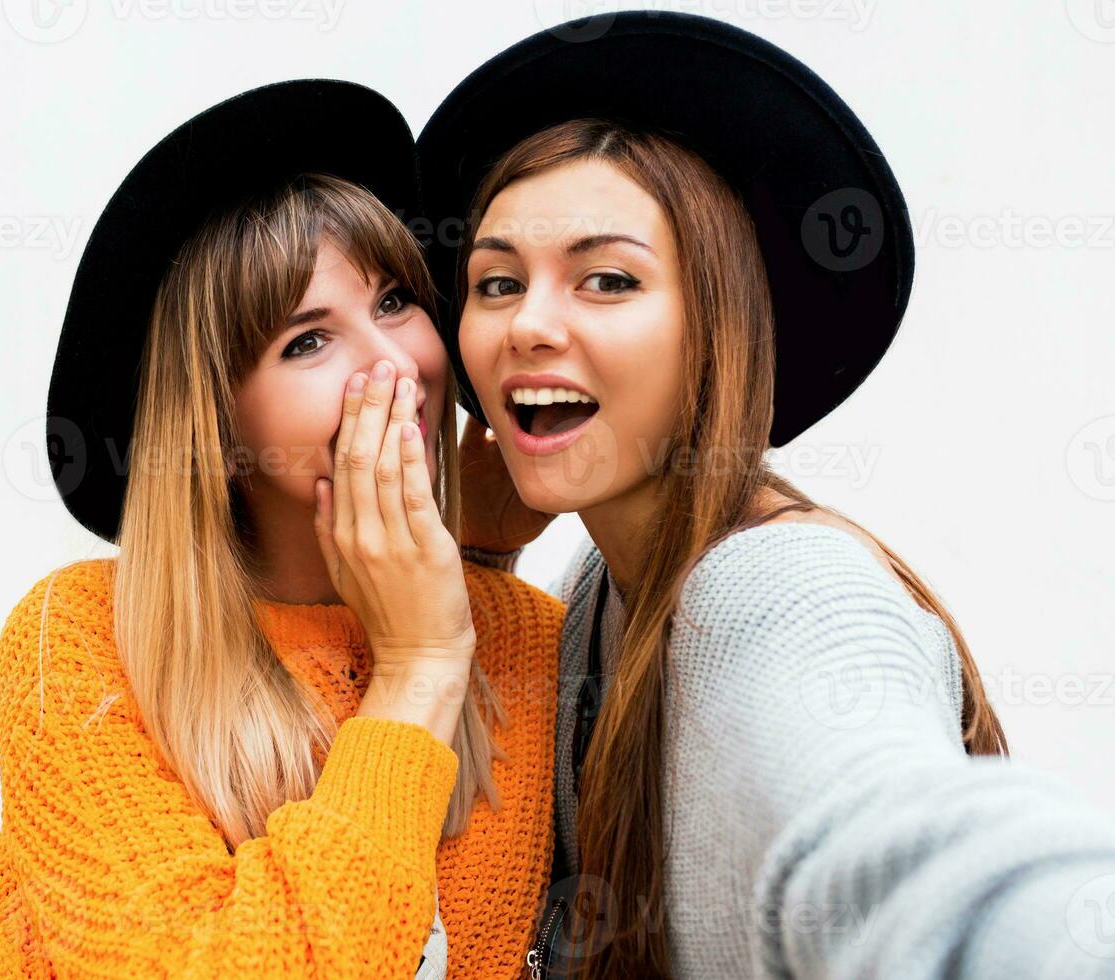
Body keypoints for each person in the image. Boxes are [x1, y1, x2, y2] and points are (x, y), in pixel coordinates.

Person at [419, 13, 1115, 979]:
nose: (528, 325)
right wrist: (480, 560)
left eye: (608, 280)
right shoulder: (593, 591)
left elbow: (893, 840)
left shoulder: (778, 594)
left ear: (717, 325)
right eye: (496, 283)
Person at [0, 80, 563, 979]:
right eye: (307, 341)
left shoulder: (531, 640)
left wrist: (463, 576)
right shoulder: (82, 640)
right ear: (221, 435)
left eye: (394, 301)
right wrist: (419, 668)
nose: (396, 364)